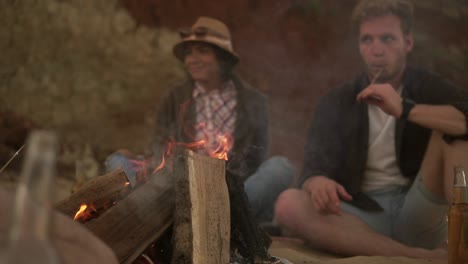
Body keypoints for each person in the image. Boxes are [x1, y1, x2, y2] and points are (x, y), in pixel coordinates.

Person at [274, 0, 468, 259]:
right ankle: (421, 257)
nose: (377, 50)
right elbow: (313, 165)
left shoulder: (425, 85)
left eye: (387, 39)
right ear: (359, 46)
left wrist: (405, 108)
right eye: (367, 40)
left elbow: (464, 116)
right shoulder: (339, 99)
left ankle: (455, 239)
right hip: (363, 215)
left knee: (455, 134)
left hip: (419, 210)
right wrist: (317, 181)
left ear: (407, 43)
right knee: (288, 204)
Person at [106, 16, 293, 224]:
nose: (191, 59)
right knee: (117, 161)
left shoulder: (254, 102)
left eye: (202, 51)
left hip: (231, 194)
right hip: (178, 190)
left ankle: (223, 220)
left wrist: (224, 181)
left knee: (281, 167)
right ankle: (155, 217)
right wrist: (169, 170)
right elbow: (158, 144)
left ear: (223, 58)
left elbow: (257, 156)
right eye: (188, 53)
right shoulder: (175, 97)